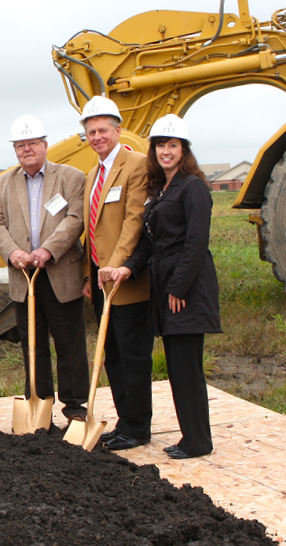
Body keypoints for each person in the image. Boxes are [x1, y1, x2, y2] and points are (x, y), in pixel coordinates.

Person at [100, 114, 220, 459]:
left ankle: (198, 441)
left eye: (173, 146)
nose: (166, 151)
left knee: (186, 367)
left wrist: (179, 290)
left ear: (184, 151)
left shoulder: (193, 187)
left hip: (186, 289)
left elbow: (196, 244)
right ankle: (190, 437)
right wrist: (126, 268)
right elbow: (150, 245)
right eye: (160, 146)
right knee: (177, 366)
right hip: (165, 284)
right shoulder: (161, 189)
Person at [0, 115, 89, 427]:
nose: (26, 150)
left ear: (45, 145)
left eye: (32, 143)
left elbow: (75, 218)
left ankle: (74, 405)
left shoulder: (71, 177)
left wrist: (48, 250)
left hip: (60, 273)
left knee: (69, 343)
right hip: (24, 276)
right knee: (33, 343)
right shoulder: (4, 182)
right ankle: (39, 401)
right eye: (20, 145)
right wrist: (14, 252)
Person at [79, 96, 154, 450]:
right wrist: (88, 274)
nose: (97, 136)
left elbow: (133, 219)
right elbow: (90, 228)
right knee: (113, 353)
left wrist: (116, 263)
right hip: (100, 279)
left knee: (133, 354)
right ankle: (125, 420)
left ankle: (138, 426)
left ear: (118, 130)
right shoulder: (93, 173)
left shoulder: (137, 164)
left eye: (103, 129)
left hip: (125, 279)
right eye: (91, 131)